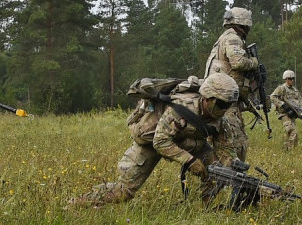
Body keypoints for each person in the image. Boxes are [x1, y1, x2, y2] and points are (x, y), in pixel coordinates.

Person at [71, 73, 239, 207]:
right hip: (153, 141)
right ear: (208, 98)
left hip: (188, 141)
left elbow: (226, 150)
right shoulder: (181, 108)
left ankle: (204, 206)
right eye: (222, 104)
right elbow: (160, 141)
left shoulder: (220, 120)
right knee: (124, 192)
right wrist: (189, 161)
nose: (225, 110)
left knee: (218, 169)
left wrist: (232, 169)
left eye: (229, 105)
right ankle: (78, 203)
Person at [204, 7, 257, 162]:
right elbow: (238, 62)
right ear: (244, 25)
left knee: (223, 141)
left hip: (222, 99)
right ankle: (232, 178)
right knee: (236, 143)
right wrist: (254, 62)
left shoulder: (224, 38)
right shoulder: (233, 39)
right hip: (224, 101)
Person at [269, 69, 302, 150]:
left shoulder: (295, 90)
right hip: (284, 114)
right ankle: (290, 150)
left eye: (293, 79)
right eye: (290, 79)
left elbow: (299, 100)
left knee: (292, 134)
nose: (292, 80)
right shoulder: (281, 88)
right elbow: (272, 97)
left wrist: (300, 111)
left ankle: (286, 149)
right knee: (292, 131)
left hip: (292, 114)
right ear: (286, 79)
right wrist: (282, 104)